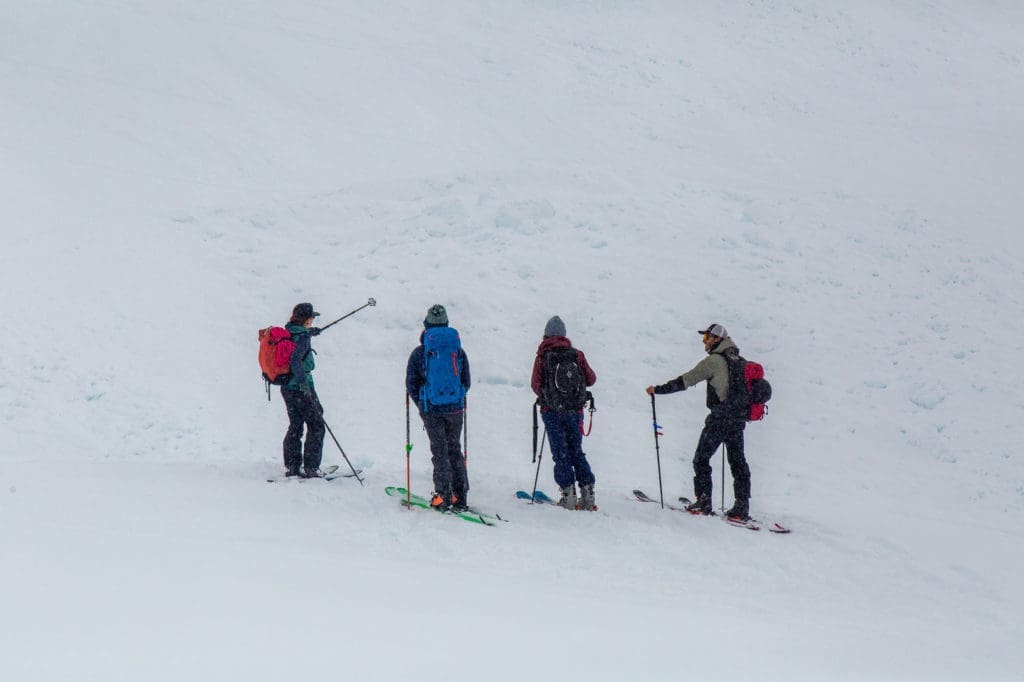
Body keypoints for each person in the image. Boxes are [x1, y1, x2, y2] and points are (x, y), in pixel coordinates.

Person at [645, 323, 752, 521]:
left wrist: (658, 390)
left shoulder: (714, 361)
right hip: (737, 420)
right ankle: (741, 507)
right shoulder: (739, 361)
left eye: (707, 338)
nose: (704, 342)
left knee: (701, 459)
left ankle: (704, 501)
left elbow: (686, 380)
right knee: (738, 462)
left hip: (719, 419)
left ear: (717, 340)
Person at [405, 304, 472, 511]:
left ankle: (443, 495)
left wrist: (423, 405)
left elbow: (411, 384)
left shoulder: (420, 352)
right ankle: (460, 496)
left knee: (440, 451)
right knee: (454, 450)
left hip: (432, 409)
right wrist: (456, 399)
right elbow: (466, 381)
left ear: (426, 326)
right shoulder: (458, 351)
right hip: (455, 409)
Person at [531, 316, 598, 510]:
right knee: (576, 450)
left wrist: (549, 393)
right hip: (575, 411)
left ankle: (568, 495)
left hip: (552, 412)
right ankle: (588, 493)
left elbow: (536, 386)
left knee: (560, 453)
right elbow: (591, 379)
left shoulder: (543, 356)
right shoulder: (576, 355)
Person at [281, 302, 326, 478]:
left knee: (296, 424)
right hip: (301, 388)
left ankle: (292, 465)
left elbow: (296, 343)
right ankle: (311, 467)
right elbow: (295, 360)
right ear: (307, 319)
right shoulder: (302, 336)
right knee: (317, 425)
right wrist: (303, 384)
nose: (313, 320)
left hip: (287, 387)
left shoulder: (289, 331)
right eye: (312, 317)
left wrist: (310, 333)